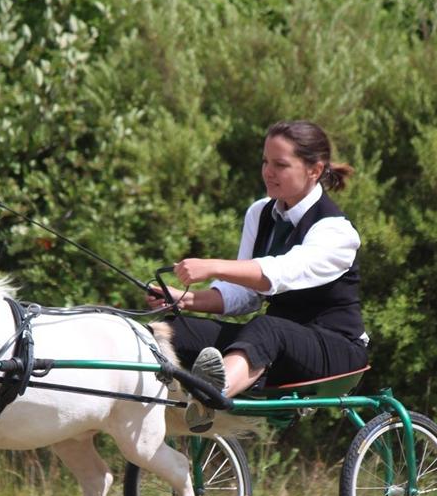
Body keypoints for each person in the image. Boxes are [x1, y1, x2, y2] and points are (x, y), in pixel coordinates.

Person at [148, 120, 369, 431]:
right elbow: (246, 295)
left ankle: (208, 395)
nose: (268, 172)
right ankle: (148, 404)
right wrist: (184, 299)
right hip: (274, 344)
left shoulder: (335, 231)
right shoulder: (260, 213)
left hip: (336, 351)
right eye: (265, 161)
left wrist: (212, 265)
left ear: (314, 170)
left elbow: (277, 274)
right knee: (171, 329)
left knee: (267, 327)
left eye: (280, 164)